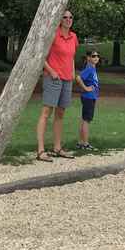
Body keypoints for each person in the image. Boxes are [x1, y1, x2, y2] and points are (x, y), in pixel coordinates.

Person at [35, 10, 79, 161]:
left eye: (70, 17)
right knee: (46, 112)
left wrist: (72, 72)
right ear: (60, 20)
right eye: (65, 17)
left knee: (60, 114)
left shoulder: (74, 37)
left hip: (67, 79)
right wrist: (51, 71)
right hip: (53, 78)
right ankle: (40, 151)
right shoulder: (53, 34)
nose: (68, 20)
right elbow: (41, 56)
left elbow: (71, 57)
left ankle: (57, 148)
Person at [76, 49, 100, 150]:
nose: (96, 58)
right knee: (86, 120)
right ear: (88, 58)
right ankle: (85, 144)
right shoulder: (89, 68)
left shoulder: (92, 68)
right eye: (93, 56)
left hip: (90, 97)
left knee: (84, 119)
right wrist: (85, 88)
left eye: (97, 56)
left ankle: (80, 142)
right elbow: (78, 78)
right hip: (88, 97)